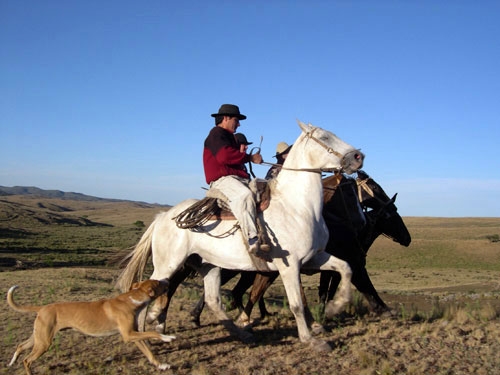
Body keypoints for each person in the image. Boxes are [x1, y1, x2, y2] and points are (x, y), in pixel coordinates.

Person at [203, 104, 264, 256]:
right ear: (226, 118)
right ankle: (251, 238)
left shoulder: (228, 137)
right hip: (223, 180)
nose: (239, 124)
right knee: (244, 196)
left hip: (235, 178)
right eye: (236, 120)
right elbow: (224, 156)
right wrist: (249, 157)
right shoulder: (217, 134)